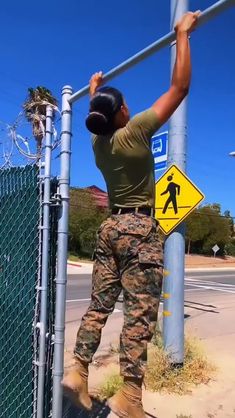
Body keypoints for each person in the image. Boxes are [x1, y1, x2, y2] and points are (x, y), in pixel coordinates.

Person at [62, 10, 200, 418]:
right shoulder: (136, 130)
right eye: (125, 105)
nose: (130, 108)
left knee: (99, 306)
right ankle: (130, 398)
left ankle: (79, 371)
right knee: (139, 314)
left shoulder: (98, 145)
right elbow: (180, 86)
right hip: (140, 228)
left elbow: (96, 115)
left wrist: (94, 90)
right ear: (122, 112)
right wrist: (182, 34)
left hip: (110, 229)